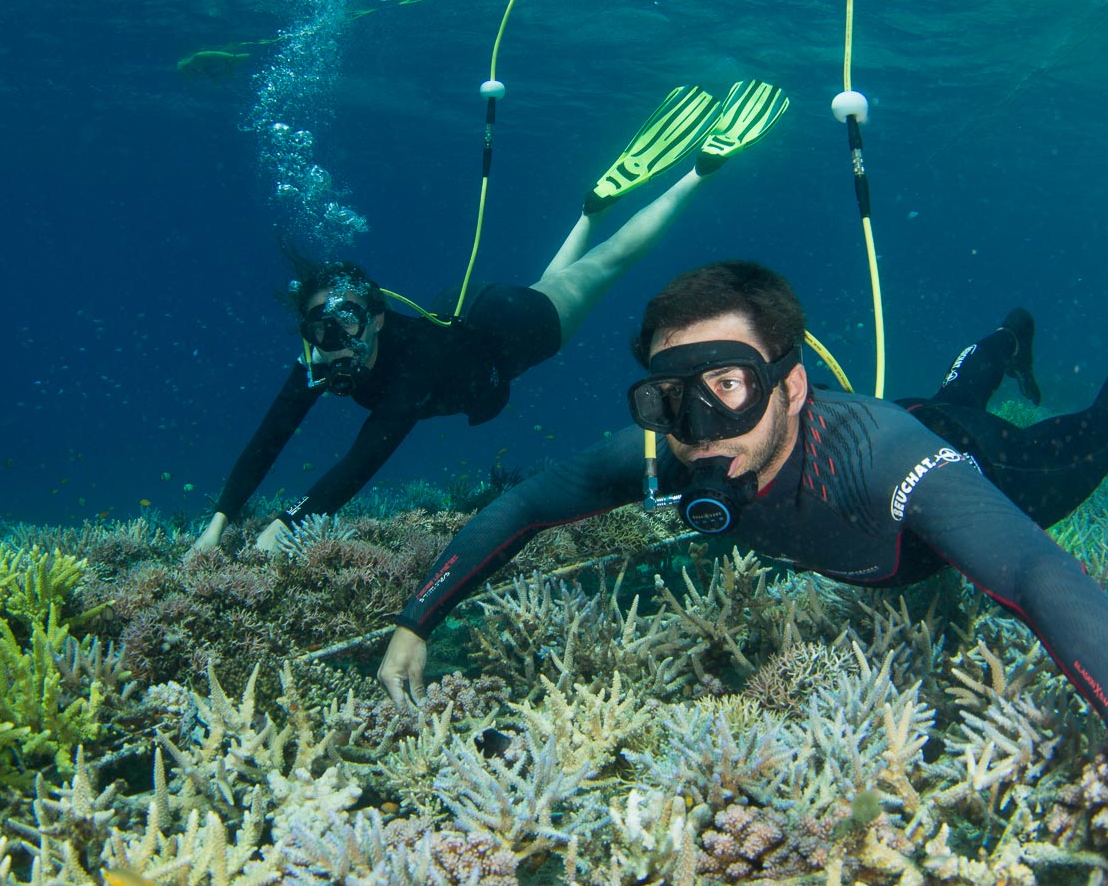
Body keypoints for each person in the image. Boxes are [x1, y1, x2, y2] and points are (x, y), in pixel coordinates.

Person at [376, 261, 1108, 859]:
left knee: (1100, 435)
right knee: (956, 386)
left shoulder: (885, 462)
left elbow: (1035, 574)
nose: (701, 433)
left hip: (969, 460)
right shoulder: (667, 456)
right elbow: (526, 505)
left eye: (728, 389)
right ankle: (1008, 332)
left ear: (790, 385)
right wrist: (418, 620)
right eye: (672, 400)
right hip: (921, 414)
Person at [190, 82, 791, 556]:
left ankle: (699, 171)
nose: (330, 347)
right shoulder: (321, 359)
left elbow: (363, 458)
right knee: (560, 279)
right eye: (318, 332)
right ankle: (593, 206)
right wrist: (217, 525)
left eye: (344, 329)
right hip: (477, 313)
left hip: (516, 330)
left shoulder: (410, 369)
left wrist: (296, 523)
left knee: (611, 262)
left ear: (375, 320)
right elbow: (270, 435)